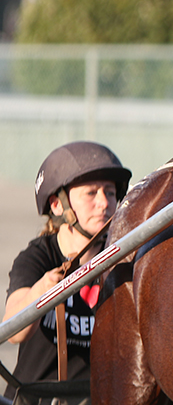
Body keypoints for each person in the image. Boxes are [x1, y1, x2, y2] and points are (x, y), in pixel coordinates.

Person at [3, 142, 131, 404]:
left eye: (109, 192)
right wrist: (43, 290)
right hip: (35, 398)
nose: (104, 203)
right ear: (57, 205)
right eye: (91, 193)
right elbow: (14, 332)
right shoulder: (38, 257)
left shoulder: (125, 260)